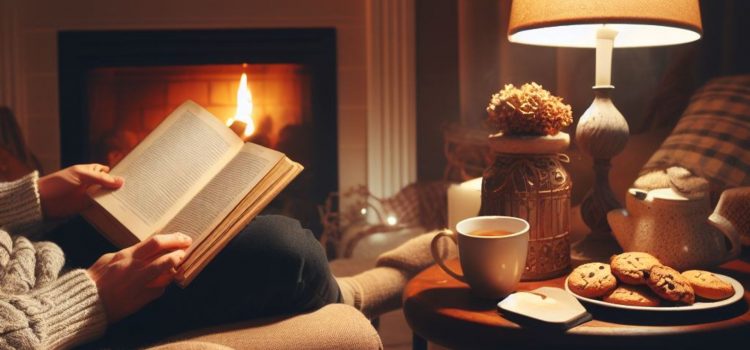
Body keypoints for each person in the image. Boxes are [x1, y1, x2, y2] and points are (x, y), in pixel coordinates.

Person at [1, 164, 451, 349]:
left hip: (32, 254)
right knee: (287, 248)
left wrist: (31, 198)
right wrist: (89, 298)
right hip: (44, 314)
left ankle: (340, 290)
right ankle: (355, 293)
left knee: (267, 239)